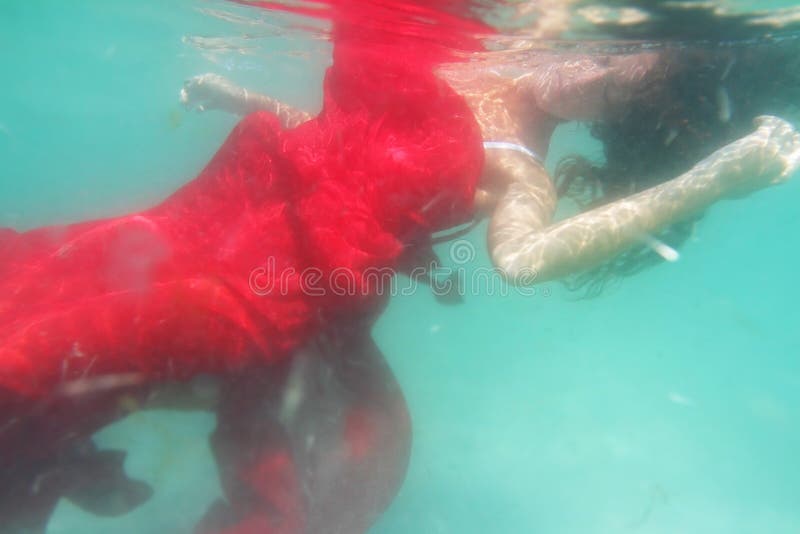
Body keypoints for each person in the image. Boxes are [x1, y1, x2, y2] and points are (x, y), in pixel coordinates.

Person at [2, 2, 799, 533]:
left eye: (611, 79)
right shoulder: (480, 66)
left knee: (27, 362)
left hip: (257, 292)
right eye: (604, 61)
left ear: (619, 111)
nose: (584, 65)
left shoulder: (524, 166)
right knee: (31, 306)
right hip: (216, 218)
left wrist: (710, 181)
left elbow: (520, 260)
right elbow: (350, 143)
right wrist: (236, 96)